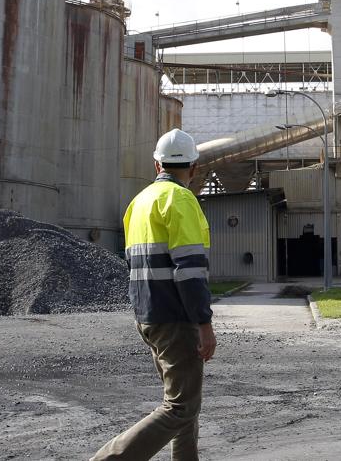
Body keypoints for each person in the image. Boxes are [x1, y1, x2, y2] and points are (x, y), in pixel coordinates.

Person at [92, 128, 215, 461]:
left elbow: (133, 264)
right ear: (193, 168)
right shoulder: (181, 200)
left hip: (148, 315)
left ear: (156, 165)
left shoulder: (139, 202)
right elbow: (189, 271)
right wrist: (204, 323)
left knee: (185, 405)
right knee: (179, 407)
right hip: (176, 317)